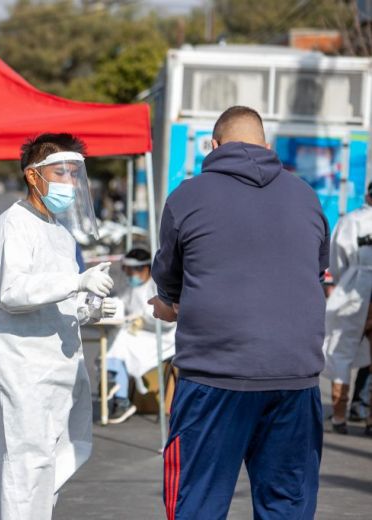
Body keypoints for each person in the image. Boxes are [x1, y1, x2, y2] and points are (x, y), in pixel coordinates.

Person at [150, 106, 329, 519]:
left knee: (196, 504)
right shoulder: (306, 195)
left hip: (215, 375)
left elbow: (169, 280)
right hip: (295, 377)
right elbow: (317, 271)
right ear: (267, 146)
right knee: (287, 506)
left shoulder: (188, 196)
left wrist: (169, 304)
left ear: (214, 146)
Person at [0, 133, 116, 519]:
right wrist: (76, 282)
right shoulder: (13, 225)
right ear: (33, 176)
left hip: (56, 363)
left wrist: (90, 306)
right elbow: (12, 292)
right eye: (61, 172)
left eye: (74, 173)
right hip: (22, 362)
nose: (69, 182)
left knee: (52, 461)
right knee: (24, 465)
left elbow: (60, 297)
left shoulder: (59, 232)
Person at [105, 248, 176, 424]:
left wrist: (144, 319)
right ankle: (119, 394)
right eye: (126, 270)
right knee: (117, 338)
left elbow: (169, 321)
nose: (129, 275)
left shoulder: (157, 286)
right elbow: (119, 304)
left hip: (160, 338)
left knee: (119, 341)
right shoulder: (129, 287)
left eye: (132, 270)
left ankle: (120, 398)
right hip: (136, 335)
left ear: (145, 269)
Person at [322, 181, 372, 435]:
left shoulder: (352, 220)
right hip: (358, 287)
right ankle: (368, 418)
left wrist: (341, 284)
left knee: (340, 352)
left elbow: (336, 260)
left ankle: (340, 416)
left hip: (354, 288)